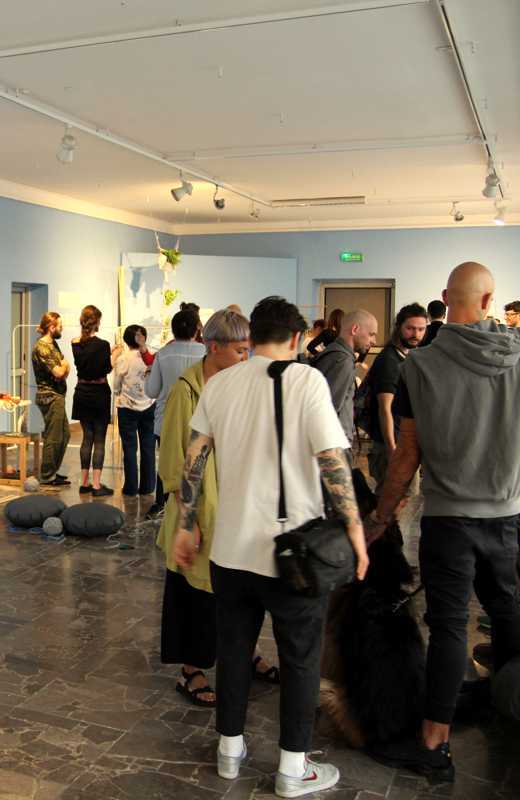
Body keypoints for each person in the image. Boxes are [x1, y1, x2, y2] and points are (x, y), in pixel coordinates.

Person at [365, 262, 520, 782]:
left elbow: (406, 454)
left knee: (449, 625)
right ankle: (512, 710)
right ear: (489, 299)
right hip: (503, 514)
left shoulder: (421, 365)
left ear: (446, 298)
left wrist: (382, 513)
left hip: (448, 517)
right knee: (505, 607)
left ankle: (434, 741)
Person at [174, 296, 367, 798]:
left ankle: (229, 752)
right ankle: (292, 769)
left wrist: (186, 524)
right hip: (291, 554)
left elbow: (194, 458)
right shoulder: (306, 380)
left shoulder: (220, 383)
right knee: (300, 657)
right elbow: (331, 460)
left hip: (230, 551)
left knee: (233, 651)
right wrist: (354, 528)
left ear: (253, 335)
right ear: (297, 338)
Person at [156, 310, 279, 707]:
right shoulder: (186, 391)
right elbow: (174, 460)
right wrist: (189, 519)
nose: (246, 358)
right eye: (240, 350)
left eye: (249, 350)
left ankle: (245, 651)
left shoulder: (240, 386)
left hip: (236, 505)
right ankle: (191, 669)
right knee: (195, 594)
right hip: (198, 508)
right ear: (213, 347)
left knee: (240, 589)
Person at [145, 308, 206, 516]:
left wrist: (148, 375)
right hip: (199, 420)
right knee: (197, 465)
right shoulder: (205, 353)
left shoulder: (163, 354)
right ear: (197, 329)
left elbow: (152, 391)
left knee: (167, 463)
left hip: (167, 420)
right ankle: (192, 508)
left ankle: (162, 504)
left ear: (173, 330)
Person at [363, 303, 428, 488]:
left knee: (403, 498)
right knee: (396, 499)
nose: (416, 334)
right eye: (410, 328)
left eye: (421, 329)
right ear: (398, 327)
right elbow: (385, 408)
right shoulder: (390, 361)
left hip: (403, 442)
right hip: (392, 445)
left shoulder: (405, 356)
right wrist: (392, 449)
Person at [312, 309, 378, 446]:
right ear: (354, 329)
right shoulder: (342, 361)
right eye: (371, 334)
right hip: (335, 442)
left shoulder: (336, 354)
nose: (374, 341)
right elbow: (329, 409)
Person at [72, 305, 114, 496]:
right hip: (99, 394)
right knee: (99, 440)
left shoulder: (75, 343)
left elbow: (86, 364)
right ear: (96, 322)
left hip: (82, 393)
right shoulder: (103, 345)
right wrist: (114, 355)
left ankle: (84, 483)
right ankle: (96, 485)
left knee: (86, 437)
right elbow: (105, 369)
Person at [114, 324, 157, 497]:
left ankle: (131, 487)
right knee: (148, 447)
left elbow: (116, 384)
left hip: (127, 407)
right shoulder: (152, 357)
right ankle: (148, 486)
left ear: (126, 339)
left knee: (130, 448)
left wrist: (118, 393)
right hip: (149, 405)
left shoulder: (123, 359)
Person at [31, 312, 71, 486]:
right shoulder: (42, 348)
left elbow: (65, 368)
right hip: (49, 396)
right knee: (53, 436)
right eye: (60, 326)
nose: (62, 329)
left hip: (58, 395)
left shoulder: (52, 344)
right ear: (52, 327)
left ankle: (53, 471)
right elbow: (60, 371)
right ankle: (47, 475)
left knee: (65, 435)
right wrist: (64, 367)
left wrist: (64, 367)